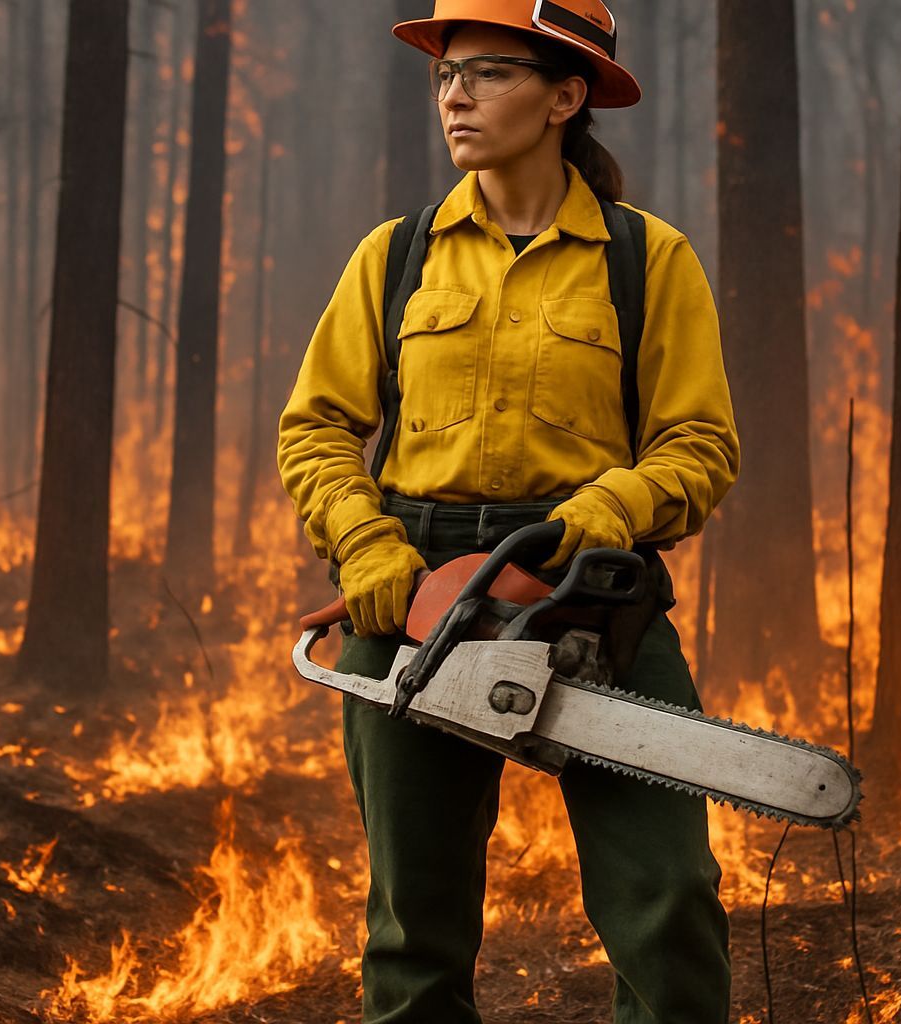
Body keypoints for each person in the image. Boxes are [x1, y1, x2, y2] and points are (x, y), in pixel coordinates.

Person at [277, 2, 740, 1021]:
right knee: (414, 927)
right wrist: (364, 546)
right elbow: (314, 426)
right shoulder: (398, 256)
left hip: (592, 587)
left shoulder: (645, 259)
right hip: (413, 591)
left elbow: (699, 445)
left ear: (565, 97)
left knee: (669, 897)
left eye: (487, 72)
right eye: (447, 75)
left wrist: (589, 518)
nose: (454, 94)